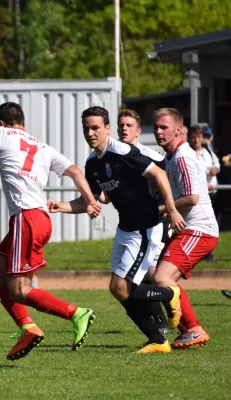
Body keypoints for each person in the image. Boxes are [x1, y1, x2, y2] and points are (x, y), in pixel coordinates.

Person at [0, 102, 99, 361]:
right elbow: (75, 171)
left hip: (26, 219)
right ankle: (28, 327)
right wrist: (90, 200)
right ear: (22, 122)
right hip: (38, 219)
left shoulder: (1, 134)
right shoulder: (41, 146)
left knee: (19, 290)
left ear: (0, 123)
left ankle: (77, 313)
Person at [49, 106, 186, 354]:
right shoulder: (92, 163)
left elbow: (159, 175)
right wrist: (62, 206)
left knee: (120, 286)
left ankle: (168, 294)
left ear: (107, 129)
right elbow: (89, 200)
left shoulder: (122, 151)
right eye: (86, 128)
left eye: (95, 127)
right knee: (120, 290)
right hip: (125, 229)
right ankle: (158, 340)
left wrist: (172, 209)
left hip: (145, 227)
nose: (90, 132)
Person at [152, 108, 219, 350]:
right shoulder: (169, 156)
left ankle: (192, 329)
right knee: (154, 276)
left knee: (162, 278)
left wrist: (162, 209)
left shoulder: (183, 157)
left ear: (178, 130)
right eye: (156, 127)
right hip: (187, 229)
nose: (159, 131)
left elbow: (191, 198)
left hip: (200, 229)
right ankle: (181, 328)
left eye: (164, 127)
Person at [117, 109, 172, 336]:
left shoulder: (154, 157)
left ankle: (167, 315)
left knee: (147, 273)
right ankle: (165, 317)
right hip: (132, 225)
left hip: (154, 223)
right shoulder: (116, 156)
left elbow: (165, 185)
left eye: (129, 125)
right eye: (121, 125)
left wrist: (169, 209)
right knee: (141, 274)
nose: (124, 129)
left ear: (138, 131)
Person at [188, 126, 220, 261]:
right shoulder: (188, 153)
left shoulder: (208, 151)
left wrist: (215, 169)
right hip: (199, 196)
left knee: (213, 225)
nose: (196, 140)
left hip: (213, 193)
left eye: (198, 137)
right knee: (200, 226)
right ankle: (202, 254)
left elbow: (216, 164)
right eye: (193, 137)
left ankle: (208, 254)